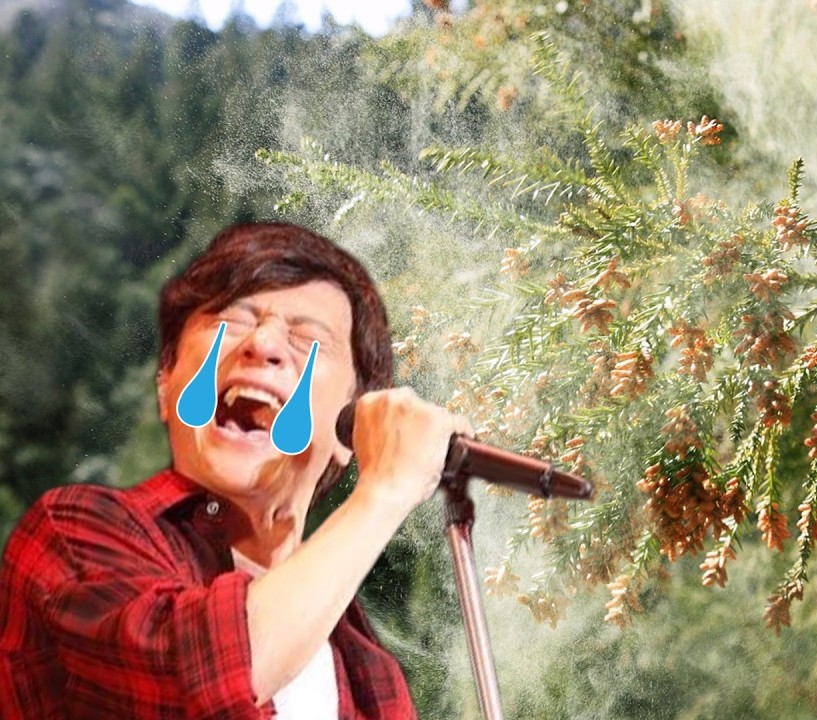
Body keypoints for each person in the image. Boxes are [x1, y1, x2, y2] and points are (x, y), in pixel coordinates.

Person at [0, 222, 471, 718]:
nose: (263, 344)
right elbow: (203, 679)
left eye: (308, 337)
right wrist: (385, 490)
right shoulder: (74, 534)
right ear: (165, 383)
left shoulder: (369, 675)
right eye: (231, 317)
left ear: (352, 429)